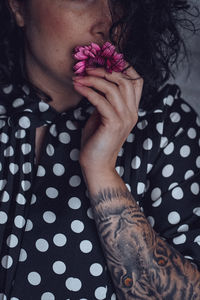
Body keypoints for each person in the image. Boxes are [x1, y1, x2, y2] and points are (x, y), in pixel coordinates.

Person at [0, 0, 200, 299]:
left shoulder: (166, 128)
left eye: (122, 2)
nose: (107, 23)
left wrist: (102, 170)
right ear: (17, 7)